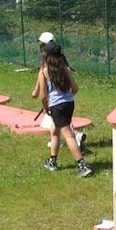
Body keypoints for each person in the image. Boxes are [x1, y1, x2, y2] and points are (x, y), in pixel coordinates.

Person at [36, 41, 93, 177]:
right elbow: (75, 88)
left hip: (56, 106)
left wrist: (47, 108)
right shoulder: (65, 69)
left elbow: (43, 95)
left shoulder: (44, 72)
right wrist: (66, 98)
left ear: (46, 55)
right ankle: (52, 161)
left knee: (68, 134)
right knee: (54, 131)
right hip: (69, 103)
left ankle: (82, 165)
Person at [32, 32, 86, 152]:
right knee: (57, 125)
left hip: (56, 100)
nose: (40, 48)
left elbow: (42, 76)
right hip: (65, 99)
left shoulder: (47, 60)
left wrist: (36, 91)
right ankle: (56, 148)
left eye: (42, 45)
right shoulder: (61, 58)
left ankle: (76, 141)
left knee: (62, 126)